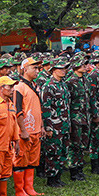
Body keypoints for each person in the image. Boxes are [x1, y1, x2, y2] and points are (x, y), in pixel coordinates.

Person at [12, 57, 45, 196]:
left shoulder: (34, 85)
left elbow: (38, 108)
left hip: (36, 130)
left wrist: (42, 126)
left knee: (32, 161)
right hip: (25, 131)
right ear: (25, 69)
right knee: (21, 161)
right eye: (34, 68)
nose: (37, 71)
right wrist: (23, 130)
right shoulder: (19, 87)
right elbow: (18, 110)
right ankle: (20, 190)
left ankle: (29, 188)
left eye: (38, 68)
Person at [40, 57, 72, 185]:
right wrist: (48, 127)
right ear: (53, 70)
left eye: (64, 68)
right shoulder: (48, 86)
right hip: (53, 125)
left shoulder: (63, 85)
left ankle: (58, 176)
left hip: (63, 124)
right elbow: (45, 108)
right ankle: (51, 179)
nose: (63, 70)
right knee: (52, 152)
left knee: (62, 150)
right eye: (60, 68)